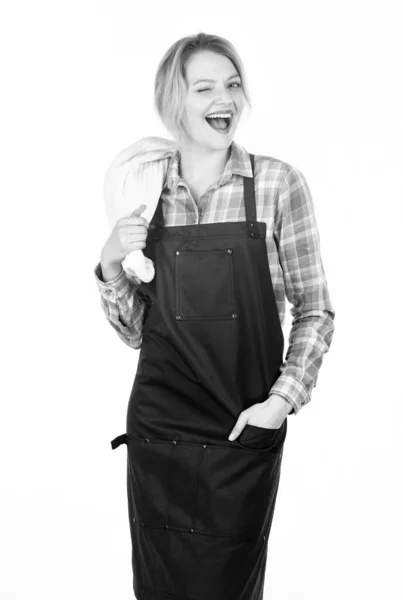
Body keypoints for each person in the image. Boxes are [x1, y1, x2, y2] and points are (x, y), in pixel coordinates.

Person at [94, 32, 335, 600]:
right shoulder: (145, 194)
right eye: (204, 87)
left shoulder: (276, 184)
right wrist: (109, 263)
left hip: (240, 427)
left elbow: (315, 309)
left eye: (231, 84)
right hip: (161, 433)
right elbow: (136, 333)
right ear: (173, 102)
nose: (223, 98)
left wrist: (280, 403)